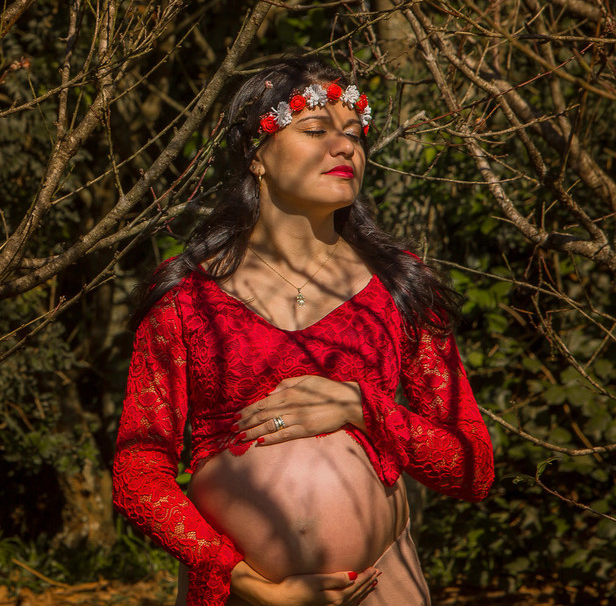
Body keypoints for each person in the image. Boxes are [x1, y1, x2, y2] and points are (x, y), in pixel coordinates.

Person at [112, 57, 494, 606]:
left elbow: (473, 468)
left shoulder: (401, 284)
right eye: (315, 130)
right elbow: (138, 468)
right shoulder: (187, 293)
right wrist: (242, 579)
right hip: (247, 595)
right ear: (257, 156)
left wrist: (363, 408)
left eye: (355, 135)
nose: (345, 148)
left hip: (380, 586)